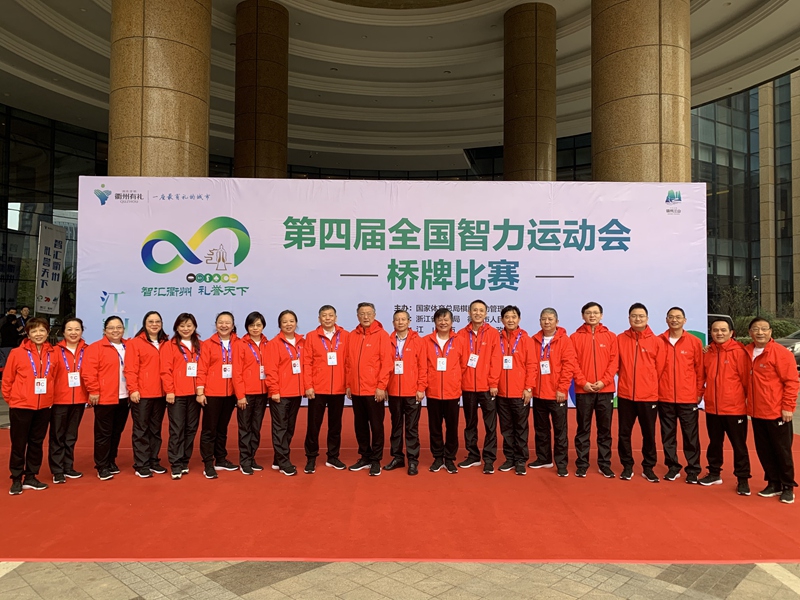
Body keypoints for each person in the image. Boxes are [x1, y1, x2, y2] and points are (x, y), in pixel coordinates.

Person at [745, 317, 798, 504]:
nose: (760, 333)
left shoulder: (781, 353)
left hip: (776, 412)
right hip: (756, 412)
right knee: (764, 450)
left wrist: (788, 407)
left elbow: (791, 382)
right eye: (755, 329)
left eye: (764, 329)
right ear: (750, 332)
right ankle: (773, 483)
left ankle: (787, 486)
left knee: (782, 451)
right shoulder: (746, 352)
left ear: (770, 332)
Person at [3, 317, 57, 495]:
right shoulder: (17, 353)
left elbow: (55, 378)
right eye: (34, 331)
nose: (38, 334)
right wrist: (12, 400)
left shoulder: (53, 353)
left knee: (36, 443)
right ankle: (16, 478)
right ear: (28, 334)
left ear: (48, 332)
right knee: (19, 444)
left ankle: (31, 476)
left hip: (44, 406)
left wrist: (50, 398)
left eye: (42, 330)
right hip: (21, 405)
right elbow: (7, 379)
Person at [699, 317, 752, 492]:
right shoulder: (708, 353)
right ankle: (714, 473)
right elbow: (702, 377)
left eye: (723, 330)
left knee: (739, 446)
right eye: (715, 330)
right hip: (712, 408)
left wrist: (744, 402)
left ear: (731, 333)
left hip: (734, 409)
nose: (719, 333)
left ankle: (743, 479)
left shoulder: (739, 353)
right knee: (714, 443)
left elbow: (746, 382)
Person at [617, 303, 664, 483]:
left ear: (647, 318)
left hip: (648, 396)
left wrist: (648, 383)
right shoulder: (620, 339)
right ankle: (627, 466)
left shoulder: (656, 341)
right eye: (634, 316)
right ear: (629, 318)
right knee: (624, 433)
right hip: (626, 395)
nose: (638, 319)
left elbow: (660, 368)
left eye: (641, 316)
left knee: (649, 433)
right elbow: (616, 366)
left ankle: (648, 467)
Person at [570, 302, 618, 479]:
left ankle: (604, 464)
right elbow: (572, 362)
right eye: (588, 313)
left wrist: (604, 382)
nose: (592, 316)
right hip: (584, 391)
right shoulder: (574, 337)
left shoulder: (611, 337)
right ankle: (582, 464)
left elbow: (614, 362)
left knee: (604, 430)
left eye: (596, 313)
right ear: (583, 315)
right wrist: (583, 382)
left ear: (601, 315)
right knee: (583, 429)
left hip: (605, 390)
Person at [344, 302, 392, 477]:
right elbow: (348, 363)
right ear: (357, 316)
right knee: (360, 425)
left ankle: (376, 460)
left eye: (369, 313)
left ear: (374, 315)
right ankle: (364, 456)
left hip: (374, 390)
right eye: (362, 313)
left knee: (376, 426)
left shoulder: (382, 335)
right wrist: (348, 384)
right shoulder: (352, 335)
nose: (365, 317)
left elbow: (387, 364)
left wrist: (381, 387)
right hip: (356, 390)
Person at [529, 308, 578, 477]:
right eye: (543, 319)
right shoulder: (534, 340)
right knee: (541, 429)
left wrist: (562, 388)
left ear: (557, 322)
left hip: (557, 394)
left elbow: (569, 366)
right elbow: (530, 365)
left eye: (550, 319)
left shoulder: (565, 341)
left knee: (560, 431)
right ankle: (543, 458)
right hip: (538, 393)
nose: (547, 322)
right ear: (539, 321)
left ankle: (561, 463)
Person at [657, 307, 703, 484]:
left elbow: (700, 370)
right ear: (666, 320)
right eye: (671, 317)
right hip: (665, 396)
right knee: (668, 435)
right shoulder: (659, 341)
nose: (674, 320)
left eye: (678, 317)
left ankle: (693, 469)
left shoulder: (694, 342)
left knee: (690, 436)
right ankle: (673, 467)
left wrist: (698, 392)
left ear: (684, 320)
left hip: (688, 398)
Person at [83, 315, 131, 481]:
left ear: (123, 329)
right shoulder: (95, 348)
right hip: (105, 397)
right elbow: (89, 372)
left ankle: (111, 460)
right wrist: (93, 391)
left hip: (124, 396)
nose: (115, 330)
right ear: (104, 330)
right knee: (103, 433)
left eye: (119, 327)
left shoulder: (129, 346)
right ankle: (101, 465)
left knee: (117, 431)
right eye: (111, 328)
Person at [456, 299, 501, 474]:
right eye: (474, 310)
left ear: (486, 313)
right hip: (467, 387)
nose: (477, 313)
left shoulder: (493, 334)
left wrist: (493, 383)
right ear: (469, 312)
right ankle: (473, 455)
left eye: (481, 310)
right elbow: (458, 361)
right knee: (470, 424)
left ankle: (489, 459)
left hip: (487, 387)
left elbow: (496, 360)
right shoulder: (461, 334)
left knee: (490, 425)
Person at [302, 305, 348, 473]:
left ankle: (333, 456)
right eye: (324, 315)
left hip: (338, 388)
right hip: (318, 389)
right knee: (313, 425)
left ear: (336, 318)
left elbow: (349, 363)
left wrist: (348, 385)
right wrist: (308, 386)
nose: (327, 318)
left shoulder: (346, 336)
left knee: (335, 425)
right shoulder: (311, 336)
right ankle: (311, 457)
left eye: (330, 315)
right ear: (319, 318)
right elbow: (307, 363)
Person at [124, 311, 169, 478]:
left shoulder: (166, 343)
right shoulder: (135, 343)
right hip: (142, 394)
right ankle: (141, 464)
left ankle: (153, 460)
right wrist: (133, 389)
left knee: (155, 429)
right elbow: (130, 369)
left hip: (160, 394)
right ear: (145, 324)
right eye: (151, 321)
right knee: (141, 429)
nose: (154, 324)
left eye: (157, 321)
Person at [423, 307, 468, 474]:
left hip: (452, 392)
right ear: (435, 322)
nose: (443, 322)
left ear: (452, 322)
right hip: (433, 392)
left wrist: (455, 380)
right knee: (434, 427)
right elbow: (423, 366)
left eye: (446, 319)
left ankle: (449, 458)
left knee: (452, 427)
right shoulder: (426, 341)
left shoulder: (460, 340)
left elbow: (464, 365)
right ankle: (437, 458)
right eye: (440, 319)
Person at [196, 312, 239, 479]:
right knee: (209, 429)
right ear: (216, 325)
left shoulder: (239, 343)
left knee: (222, 428)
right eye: (221, 322)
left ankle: (221, 459)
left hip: (231, 393)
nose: (224, 325)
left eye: (227, 322)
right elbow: (202, 368)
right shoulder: (208, 344)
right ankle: (208, 463)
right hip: (212, 393)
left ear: (233, 325)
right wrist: (200, 391)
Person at [160, 313, 202, 479]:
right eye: (182, 326)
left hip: (195, 395)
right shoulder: (169, 346)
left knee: (191, 429)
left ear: (194, 327)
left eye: (189, 325)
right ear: (176, 327)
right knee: (177, 429)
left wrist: (201, 390)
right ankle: (176, 463)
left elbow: (203, 369)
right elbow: (165, 370)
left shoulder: (200, 345)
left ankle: (185, 460)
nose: (186, 329)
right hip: (177, 394)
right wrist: (169, 390)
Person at [385, 309, 427, 476]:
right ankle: (397, 457)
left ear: (409, 322)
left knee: (411, 428)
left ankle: (413, 460)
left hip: (412, 392)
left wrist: (421, 388)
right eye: (397, 319)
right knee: (396, 427)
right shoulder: (388, 340)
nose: (400, 322)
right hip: (394, 391)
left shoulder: (418, 341)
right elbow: (384, 367)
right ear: (393, 323)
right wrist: (385, 387)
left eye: (403, 319)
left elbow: (423, 366)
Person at [496, 305, 535, 476]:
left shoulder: (526, 339)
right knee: (506, 428)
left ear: (519, 319)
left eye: (513, 317)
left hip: (520, 393)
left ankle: (520, 460)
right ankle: (509, 458)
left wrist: (528, 388)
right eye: (507, 317)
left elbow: (532, 366)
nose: (510, 320)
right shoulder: (497, 339)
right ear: (502, 320)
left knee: (520, 427)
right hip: (501, 392)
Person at [265, 310, 305, 476]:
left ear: (296, 323)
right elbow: (270, 370)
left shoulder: (302, 342)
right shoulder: (274, 344)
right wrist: (274, 390)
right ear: (280, 325)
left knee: (289, 427)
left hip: (296, 393)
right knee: (280, 428)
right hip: (280, 394)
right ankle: (283, 462)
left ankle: (278, 458)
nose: (289, 324)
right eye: (285, 322)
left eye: (291, 321)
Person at [49, 317, 88, 484]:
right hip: (59, 400)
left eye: (77, 329)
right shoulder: (54, 351)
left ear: (82, 331)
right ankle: (57, 470)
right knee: (57, 435)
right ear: (63, 332)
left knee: (71, 435)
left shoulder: (88, 350)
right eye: (70, 329)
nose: (73, 333)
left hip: (79, 399)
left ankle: (68, 466)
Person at [233, 311, 270, 476]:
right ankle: (245, 461)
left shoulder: (268, 344)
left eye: (258, 325)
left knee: (256, 427)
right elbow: (237, 372)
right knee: (245, 428)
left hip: (262, 393)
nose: (255, 328)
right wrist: (240, 395)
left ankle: (252, 457)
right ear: (247, 327)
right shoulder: (240, 344)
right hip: (246, 394)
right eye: (252, 325)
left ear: (263, 326)